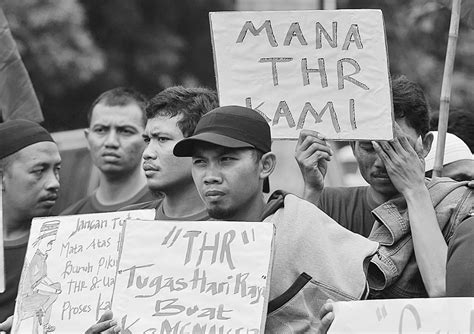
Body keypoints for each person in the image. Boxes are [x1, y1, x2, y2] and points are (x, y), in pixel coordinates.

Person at [173, 105, 378, 332]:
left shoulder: (298, 222)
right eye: (200, 162)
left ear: (265, 165)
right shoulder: (188, 246)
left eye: (226, 159)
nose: (210, 176)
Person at [295, 75, 473, 298]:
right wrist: (311, 190)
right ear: (352, 145)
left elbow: (443, 291)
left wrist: (415, 190)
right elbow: (294, 282)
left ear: (425, 145)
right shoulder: (329, 203)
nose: (381, 162)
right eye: (369, 147)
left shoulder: (453, 206)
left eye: (395, 148)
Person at [122, 86, 218, 220]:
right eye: (147, 140)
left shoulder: (236, 227)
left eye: (162, 139)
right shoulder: (126, 221)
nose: (147, 153)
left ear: (199, 145)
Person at [0, 119, 61, 323]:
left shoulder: (66, 242)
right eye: (39, 170)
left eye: (57, 170)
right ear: (2, 177)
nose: (54, 183)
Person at [61, 87, 155, 215]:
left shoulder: (167, 211)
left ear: (147, 140)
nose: (111, 142)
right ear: (88, 138)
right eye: (101, 130)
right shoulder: (68, 221)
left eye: (126, 131)